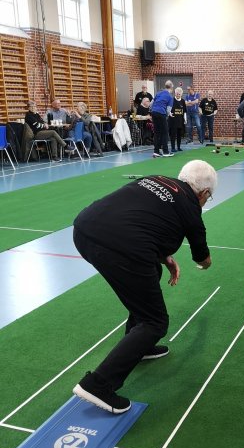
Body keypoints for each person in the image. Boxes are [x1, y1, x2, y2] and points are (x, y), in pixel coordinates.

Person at [72, 160, 217, 414]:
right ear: (204, 193)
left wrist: (163, 256)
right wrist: (205, 264)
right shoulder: (191, 209)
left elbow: (140, 219)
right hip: (119, 248)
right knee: (155, 322)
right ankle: (98, 384)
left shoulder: (155, 179)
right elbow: (202, 259)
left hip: (83, 229)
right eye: (209, 197)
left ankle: (141, 346)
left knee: (153, 272)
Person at [151, 80, 174, 157]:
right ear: (171, 87)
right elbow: (168, 110)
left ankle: (156, 151)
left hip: (154, 112)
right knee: (165, 132)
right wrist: (166, 116)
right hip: (161, 113)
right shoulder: (170, 97)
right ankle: (166, 152)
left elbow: (151, 104)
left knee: (157, 133)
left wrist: (152, 111)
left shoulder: (158, 93)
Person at [169, 87, 187, 152]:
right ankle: (173, 148)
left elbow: (184, 111)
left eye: (179, 94)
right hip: (173, 120)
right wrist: (169, 113)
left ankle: (178, 147)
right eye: (177, 94)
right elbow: (168, 108)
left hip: (180, 120)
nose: (178, 95)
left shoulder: (183, 101)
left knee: (179, 134)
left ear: (181, 94)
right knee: (173, 135)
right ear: (175, 93)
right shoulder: (171, 100)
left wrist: (185, 119)